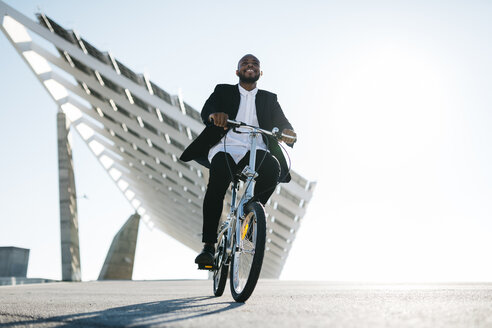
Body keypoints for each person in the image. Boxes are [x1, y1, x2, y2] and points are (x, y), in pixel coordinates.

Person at [179, 54, 296, 267]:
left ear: (260, 72)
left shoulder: (269, 99)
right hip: (226, 146)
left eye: (254, 65)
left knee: (272, 168)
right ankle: (208, 246)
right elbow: (208, 110)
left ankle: (251, 216)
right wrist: (215, 115)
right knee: (216, 185)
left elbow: (283, 123)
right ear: (237, 72)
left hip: (256, 148)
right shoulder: (223, 90)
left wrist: (289, 132)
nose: (250, 66)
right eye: (245, 64)